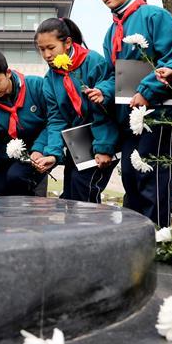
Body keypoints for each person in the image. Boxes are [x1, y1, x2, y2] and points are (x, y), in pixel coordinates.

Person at [91, 0, 172, 228]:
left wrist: (147, 90)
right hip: (129, 116)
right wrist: (103, 91)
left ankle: (159, 240)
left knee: (151, 178)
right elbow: (114, 74)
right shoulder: (111, 32)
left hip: (160, 112)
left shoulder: (155, 16)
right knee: (131, 176)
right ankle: (135, 240)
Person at [36, 17, 117, 204]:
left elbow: (105, 111)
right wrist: (52, 153)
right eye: (42, 49)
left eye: (51, 48)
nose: (47, 54)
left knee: (85, 189)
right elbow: (56, 120)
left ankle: (90, 233)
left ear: (67, 43)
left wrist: (104, 147)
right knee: (70, 191)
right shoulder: (50, 79)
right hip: (78, 141)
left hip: (103, 135)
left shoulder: (93, 61)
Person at [0, 49, 53, 202]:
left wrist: (39, 148)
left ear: (7, 73)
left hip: (37, 153)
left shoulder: (36, 86)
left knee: (16, 177)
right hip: (6, 156)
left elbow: (53, 121)